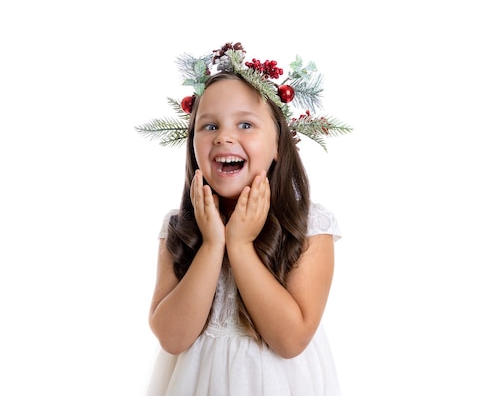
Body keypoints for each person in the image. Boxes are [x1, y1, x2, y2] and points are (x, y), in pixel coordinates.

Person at [135, 42, 352, 396]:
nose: (224, 136)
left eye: (246, 124)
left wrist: (240, 245)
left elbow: (290, 339)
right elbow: (172, 339)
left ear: (279, 144)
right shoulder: (180, 227)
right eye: (208, 126)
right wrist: (212, 244)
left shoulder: (311, 225)